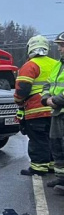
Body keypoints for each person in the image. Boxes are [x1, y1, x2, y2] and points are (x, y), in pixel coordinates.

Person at [14, 35, 57, 176]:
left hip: (36, 109)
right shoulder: (56, 64)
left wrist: (18, 101)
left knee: (38, 139)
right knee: (52, 138)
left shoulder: (30, 65)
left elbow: (22, 89)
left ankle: (38, 167)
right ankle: (52, 164)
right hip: (55, 108)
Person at [42, 32, 64, 193]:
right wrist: (46, 99)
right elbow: (47, 84)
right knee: (56, 145)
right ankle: (61, 178)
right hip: (57, 113)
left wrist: (55, 100)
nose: (59, 49)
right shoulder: (58, 65)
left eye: (62, 45)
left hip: (60, 108)